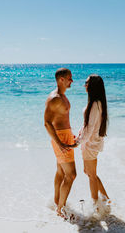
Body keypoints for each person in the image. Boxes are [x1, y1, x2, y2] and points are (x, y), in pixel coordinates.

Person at [44, 68, 78, 218]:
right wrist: (59, 143)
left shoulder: (63, 96)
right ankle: (61, 210)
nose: (72, 81)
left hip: (66, 136)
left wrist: (71, 135)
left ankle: (57, 202)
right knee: (71, 175)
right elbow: (46, 123)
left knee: (61, 172)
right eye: (70, 78)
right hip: (60, 139)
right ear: (61, 80)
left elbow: (62, 120)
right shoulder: (54, 98)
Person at [76, 74, 109, 209]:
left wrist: (77, 142)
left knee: (91, 175)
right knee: (89, 173)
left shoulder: (95, 104)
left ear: (92, 86)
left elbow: (89, 129)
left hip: (90, 144)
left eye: (86, 82)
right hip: (91, 142)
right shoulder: (97, 103)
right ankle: (106, 199)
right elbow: (88, 126)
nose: (85, 85)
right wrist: (79, 136)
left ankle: (96, 206)